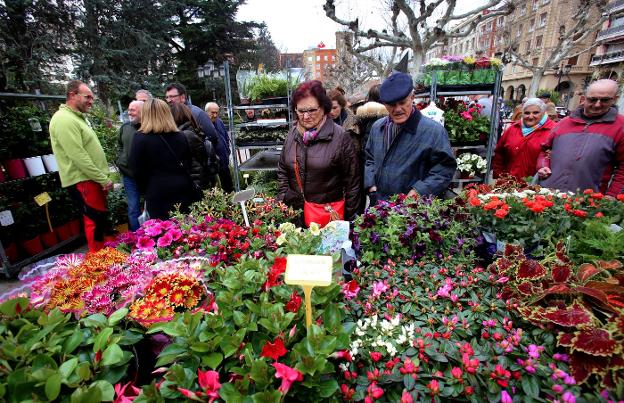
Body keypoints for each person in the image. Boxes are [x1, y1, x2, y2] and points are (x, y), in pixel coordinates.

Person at [277, 80, 361, 225]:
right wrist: (284, 197)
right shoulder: (292, 134)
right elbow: (283, 170)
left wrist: (349, 222)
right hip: (296, 217)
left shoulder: (340, 137)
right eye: (301, 111)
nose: (306, 116)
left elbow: (352, 184)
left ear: (323, 108)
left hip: (328, 220)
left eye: (311, 110)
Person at [364, 72, 456, 202]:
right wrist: (371, 185)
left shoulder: (434, 131)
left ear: (412, 97)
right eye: (391, 105)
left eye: (402, 102)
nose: (397, 109)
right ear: (384, 104)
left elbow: (443, 170)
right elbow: (370, 159)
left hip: (414, 211)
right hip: (380, 206)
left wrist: (419, 191)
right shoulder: (377, 128)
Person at [49, 80, 113, 251]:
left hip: (90, 179)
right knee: (94, 220)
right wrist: (102, 179)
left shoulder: (75, 117)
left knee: (99, 219)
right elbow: (78, 156)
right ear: (72, 95)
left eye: (92, 98)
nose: (91, 101)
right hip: (84, 180)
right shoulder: (63, 119)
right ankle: (99, 264)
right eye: (87, 97)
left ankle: (108, 259)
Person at [537, 79, 624, 196]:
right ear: (583, 98)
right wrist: (543, 166)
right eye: (592, 99)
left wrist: (611, 196)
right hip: (549, 196)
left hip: (587, 201)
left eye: (605, 100)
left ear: (615, 99)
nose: (598, 104)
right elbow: (545, 150)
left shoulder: (620, 127)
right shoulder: (564, 123)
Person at [129, 99, 202, 220]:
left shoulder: (140, 138)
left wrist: (145, 190)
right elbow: (189, 162)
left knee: (162, 232)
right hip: (183, 188)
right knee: (185, 229)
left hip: (157, 191)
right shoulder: (181, 136)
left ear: (146, 115)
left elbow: (137, 171)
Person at [492, 98, 555, 180]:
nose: (530, 116)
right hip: (509, 184)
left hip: (536, 186)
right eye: (527, 113)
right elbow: (499, 154)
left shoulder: (552, 130)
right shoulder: (513, 128)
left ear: (543, 113)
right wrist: (499, 176)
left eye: (536, 113)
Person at [165, 83, 222, 162]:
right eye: (167, 97)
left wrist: (205, 158)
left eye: (172, 96)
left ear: (182, 97)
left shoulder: (196, 113)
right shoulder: (169, 115)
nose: (168, 100)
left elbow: (212, 136)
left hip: (199, 165)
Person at [170, 102, 217, 189]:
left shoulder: (185, 135)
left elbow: (200, 159)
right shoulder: (193, 131)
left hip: (195, 181)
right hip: (199, 179)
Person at [116, 100, 143, 231]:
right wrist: (120, 160)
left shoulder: (149, 127)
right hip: (129, 176)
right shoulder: (125, 127)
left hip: (146, 175)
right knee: (133, 208)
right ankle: (137, 238)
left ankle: (153, 235)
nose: (129, 112)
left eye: (133, 109)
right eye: (129, 109)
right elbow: (120, 145)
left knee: (153, 204)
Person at [205, 102, 234, 192]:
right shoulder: (203, 124)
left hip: (224, 159)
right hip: (213, 163)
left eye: (217, 112)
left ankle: (231, 201)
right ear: (206, 112)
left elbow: (225, 136)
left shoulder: (219, 121)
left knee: (228, 184)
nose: (215, 115)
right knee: (214, 187)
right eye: (212, 113)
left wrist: (228, 150)